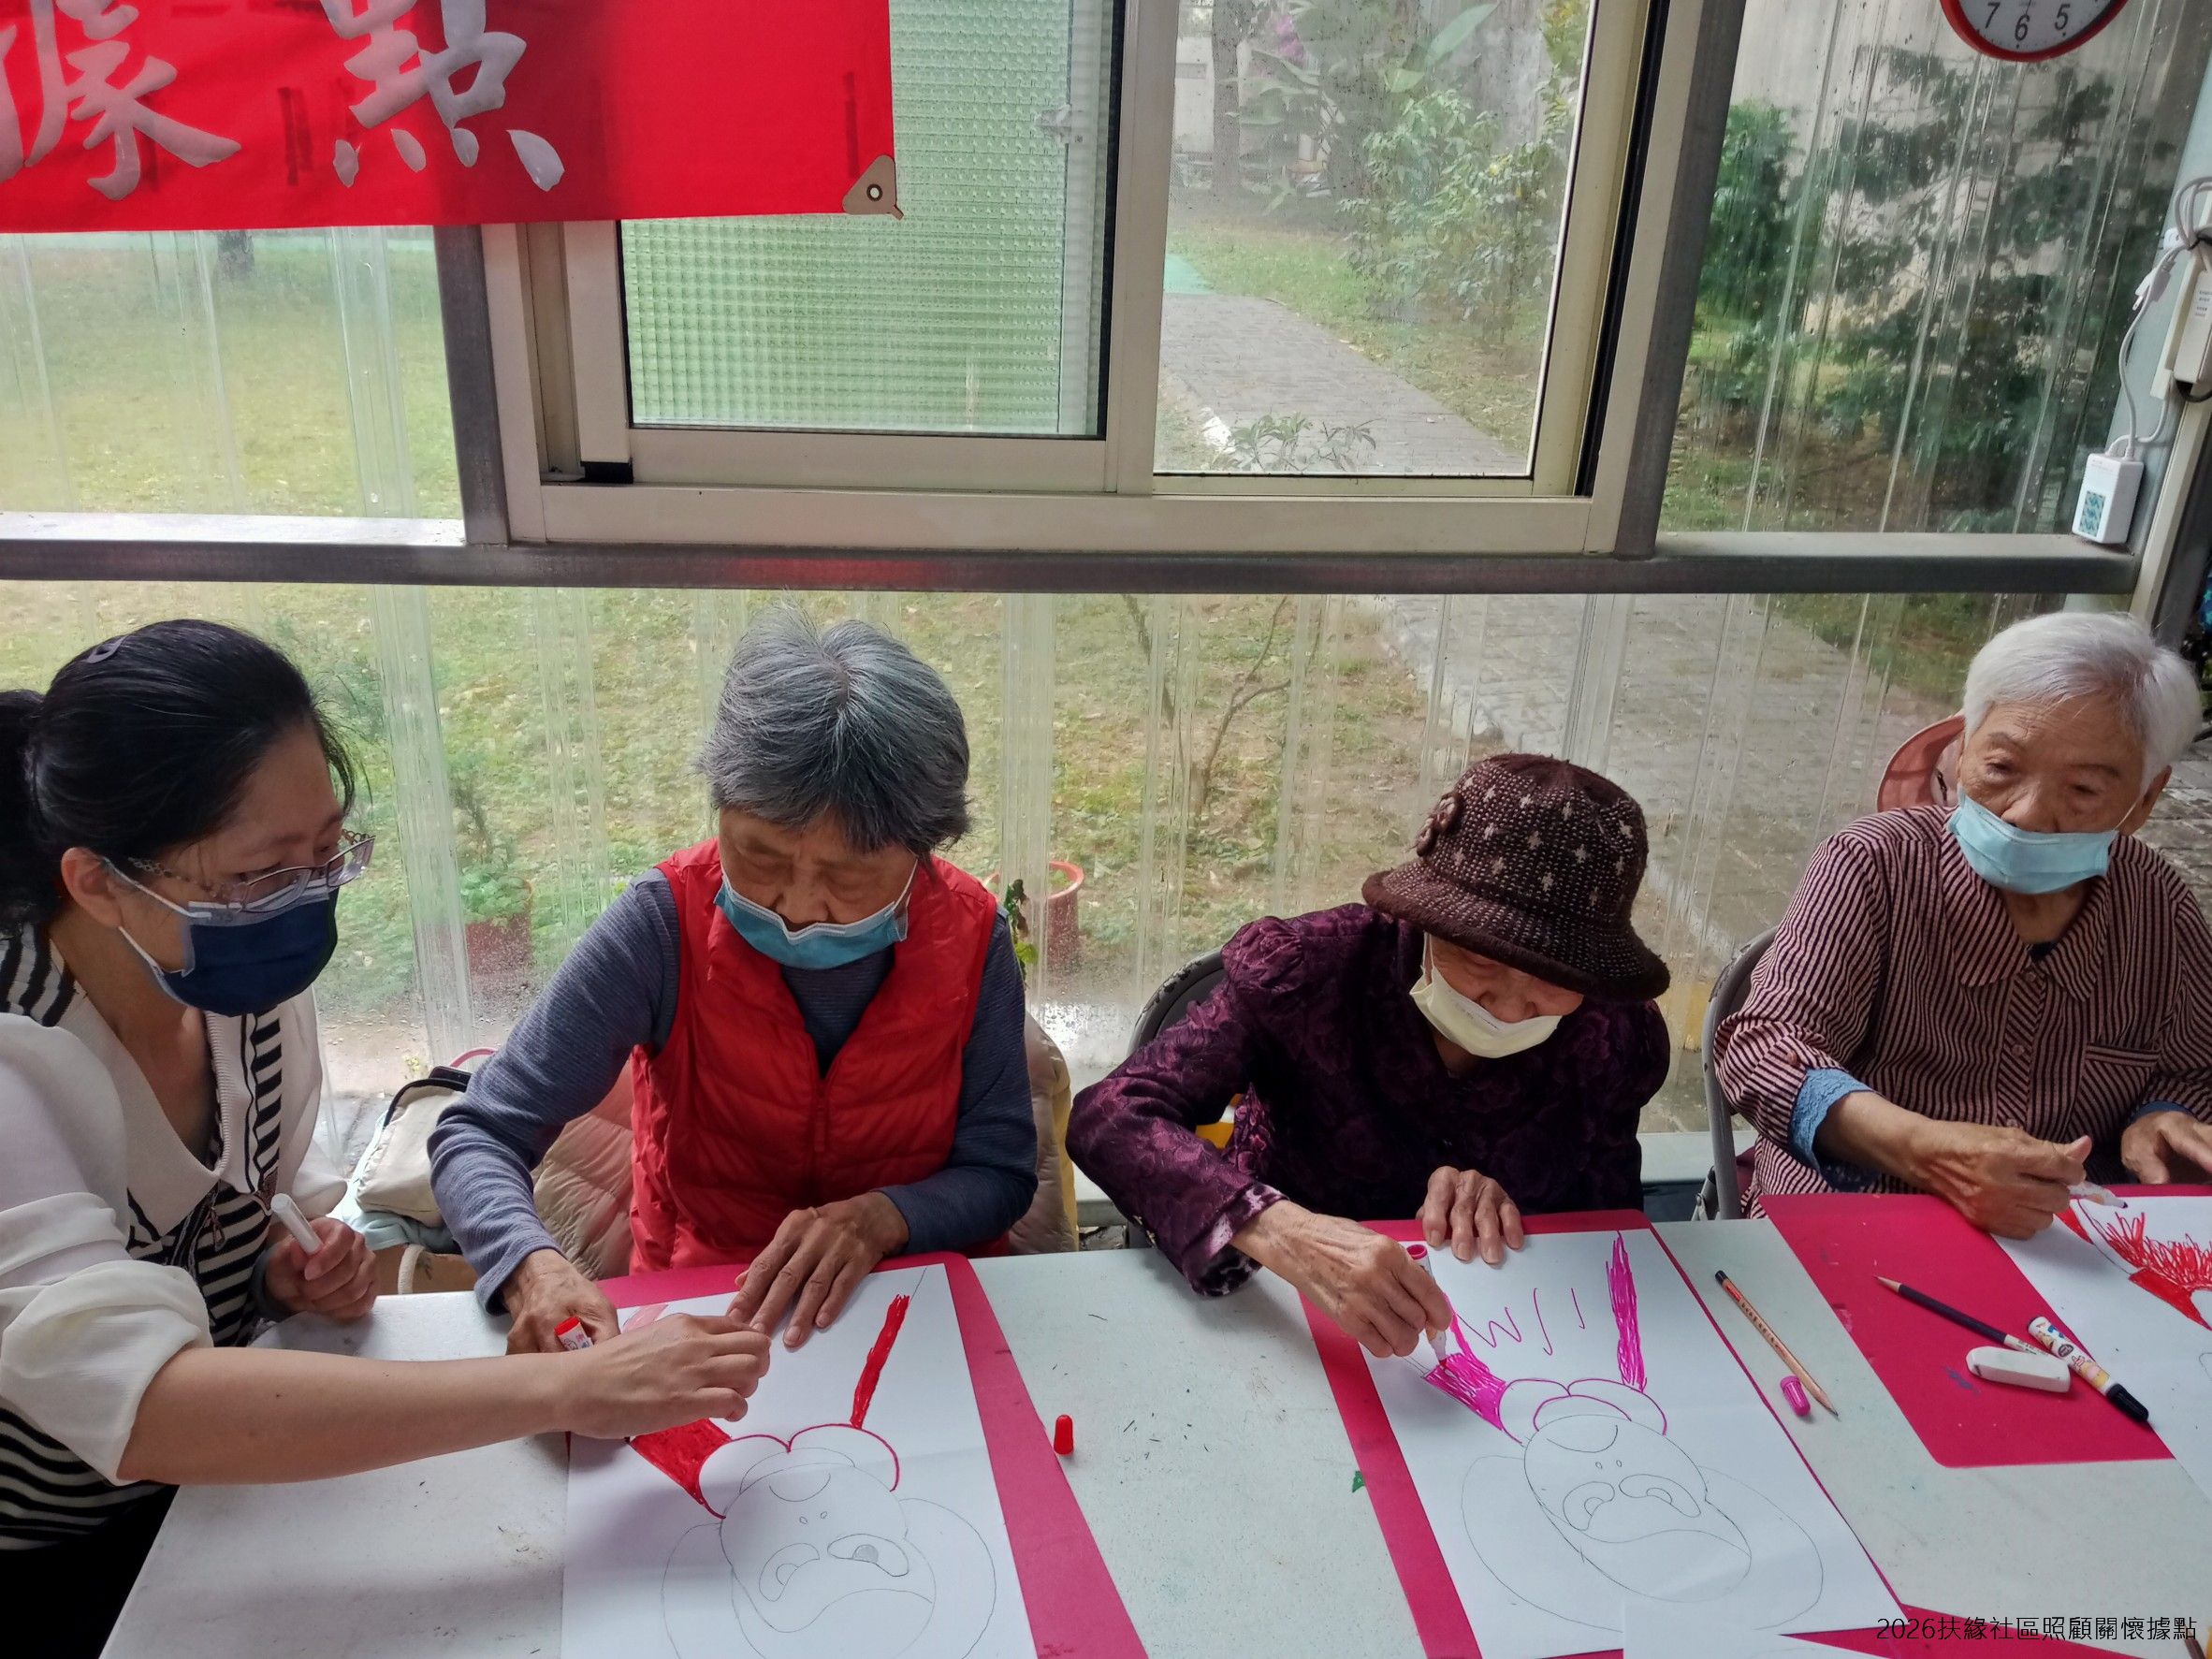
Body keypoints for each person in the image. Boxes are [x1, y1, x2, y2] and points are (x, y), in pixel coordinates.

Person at [0, 621, 769, 1657]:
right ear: (98, 882)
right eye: (262, 874)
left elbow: (220, 1208)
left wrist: (276, 1273)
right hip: (60, 1540)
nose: (306, 899)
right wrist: (568, 1388)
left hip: (226, 1494)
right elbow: (146, 1406)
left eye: (327, 853)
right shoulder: (20, 1055)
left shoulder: (238, 988)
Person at [430, 612, 1037, 1356]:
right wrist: (531, 1268)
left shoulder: (971, 937)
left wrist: (885, 1216)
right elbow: (481, 1130)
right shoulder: (662, 927)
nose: (798, 905)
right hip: (704, 1312)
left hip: (917, 1311)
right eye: (761, 856)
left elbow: (1000, 1171)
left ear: (924, 850)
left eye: (848, 874)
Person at [1068, 752, 1673, 1361]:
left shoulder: (1613, 1036)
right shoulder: (1313, 975)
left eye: (1554, 979)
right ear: (1431, 919)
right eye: (1481, 960)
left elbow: (1608, 1232)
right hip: (1284, 1320)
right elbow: (1112, 1114)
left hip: (1505, 1340)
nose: (1511, 1006)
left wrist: (1514, 1204)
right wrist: (1286, 1230)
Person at [1716, 611, 2212, 1232]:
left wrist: (2161, 1115)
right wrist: (1927, 1152)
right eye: (2001, 768)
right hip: (1861, 1216)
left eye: (2084, 789)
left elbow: (2194, 1066)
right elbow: (1763, 1048)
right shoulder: (1874, 864)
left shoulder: (2158, 905)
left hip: (2067, 1236)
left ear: (2145, 799)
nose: (2027, 813)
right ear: (1961, 748)